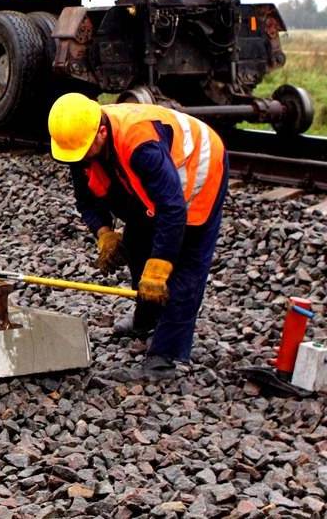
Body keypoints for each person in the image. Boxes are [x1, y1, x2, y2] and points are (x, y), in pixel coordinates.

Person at [48, 92, 228, 382]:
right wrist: (104, 233)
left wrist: (160, 266)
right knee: (137, 245)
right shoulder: (80, 139)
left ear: (102, 133)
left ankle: (165, 358)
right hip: (156, 187)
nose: (79, 161)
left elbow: (172, 210)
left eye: (84, 153)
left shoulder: (140, 144)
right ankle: (146, 320)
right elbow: (86, 201)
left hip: (199, 172)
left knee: (184, 268)